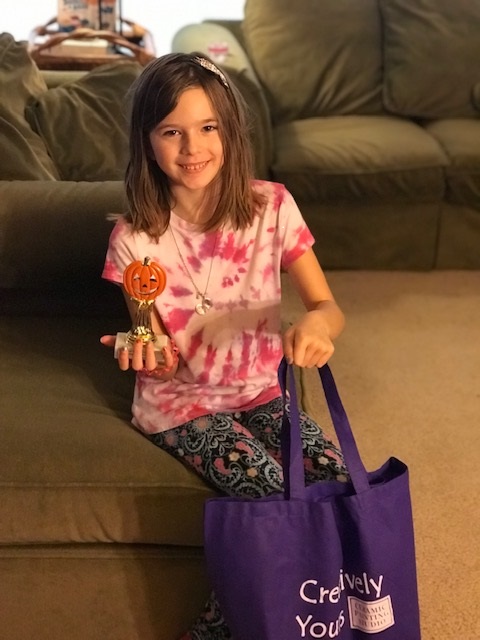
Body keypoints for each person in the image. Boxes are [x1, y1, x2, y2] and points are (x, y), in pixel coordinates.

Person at [101, 52, 348, 640]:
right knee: (277, 499)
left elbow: (327, 306)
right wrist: (142, 347)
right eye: (172, 132)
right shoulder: (134, 239)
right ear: (147, 141)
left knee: (336, 488)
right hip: (181, 407)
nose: (193, 148)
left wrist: (318, 327)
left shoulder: (273, 207)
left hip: (263, 393)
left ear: (231, 131)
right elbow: (150, 338)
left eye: (208, 127)